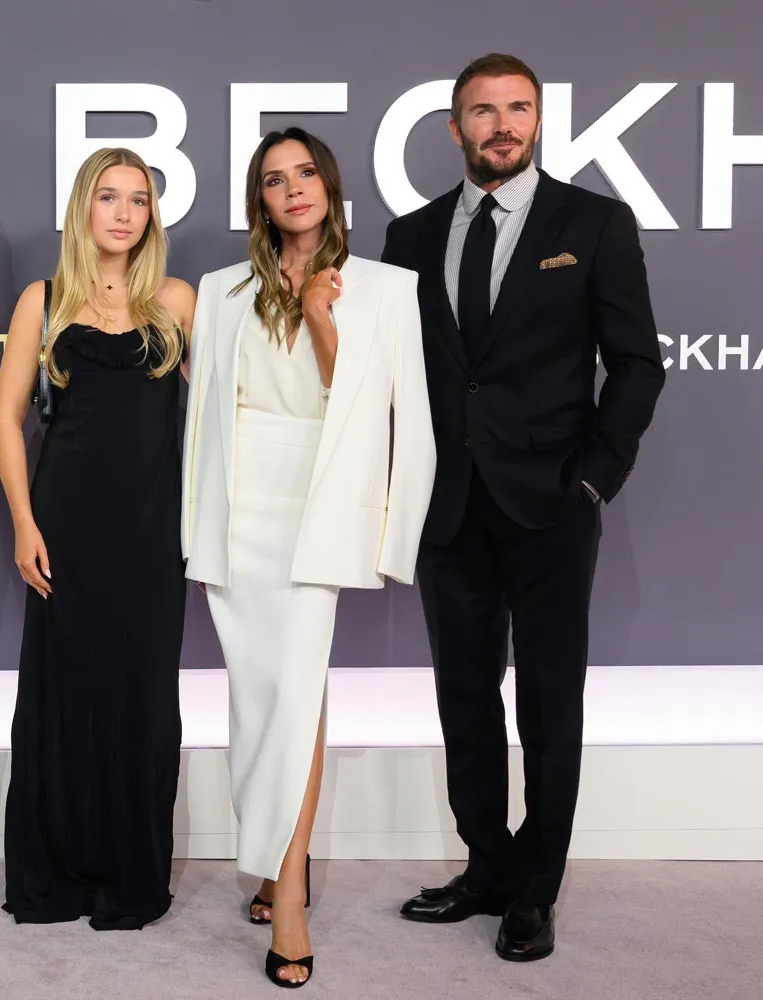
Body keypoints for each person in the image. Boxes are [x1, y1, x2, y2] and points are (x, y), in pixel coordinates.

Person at [382, 54, 665, 962]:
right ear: (454, 127)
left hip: (551, 504)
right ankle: (487, 866)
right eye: (481, 111)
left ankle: (537, 888)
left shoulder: (594, 222)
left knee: (549, 704)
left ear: (537, 121)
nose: (500, 124)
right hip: (450, 509)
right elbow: (398, 377)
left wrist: (593, 479)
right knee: (464, 698)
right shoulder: (412, 236)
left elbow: (635, 362)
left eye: (516, 109)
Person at [183, 128, 435, 987]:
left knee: (293, 690)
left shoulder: (386, 289)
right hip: (238, 512)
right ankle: (266, 858)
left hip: (316, 510)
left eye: (304, 175)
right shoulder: (221, 291)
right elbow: (204, 422)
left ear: (330, 185)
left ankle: (286, 891)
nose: (292, 190)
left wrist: (323, 316)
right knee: (265, 697)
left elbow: (389, 418)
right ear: (259, 199)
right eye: (273, 180)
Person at [0, 147, 195, 931]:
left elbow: (217, 420)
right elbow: (7, 420)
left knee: (144, 699)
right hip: (64, 527)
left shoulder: (177, 301)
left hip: (151, 533)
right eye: (107, 196)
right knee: (62, 696)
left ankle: (128, 871)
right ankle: (58, 872)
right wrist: (23, 522)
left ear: (151, 215)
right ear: (82, 208)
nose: (121, 212)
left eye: (137, 199)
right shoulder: (40, 301)